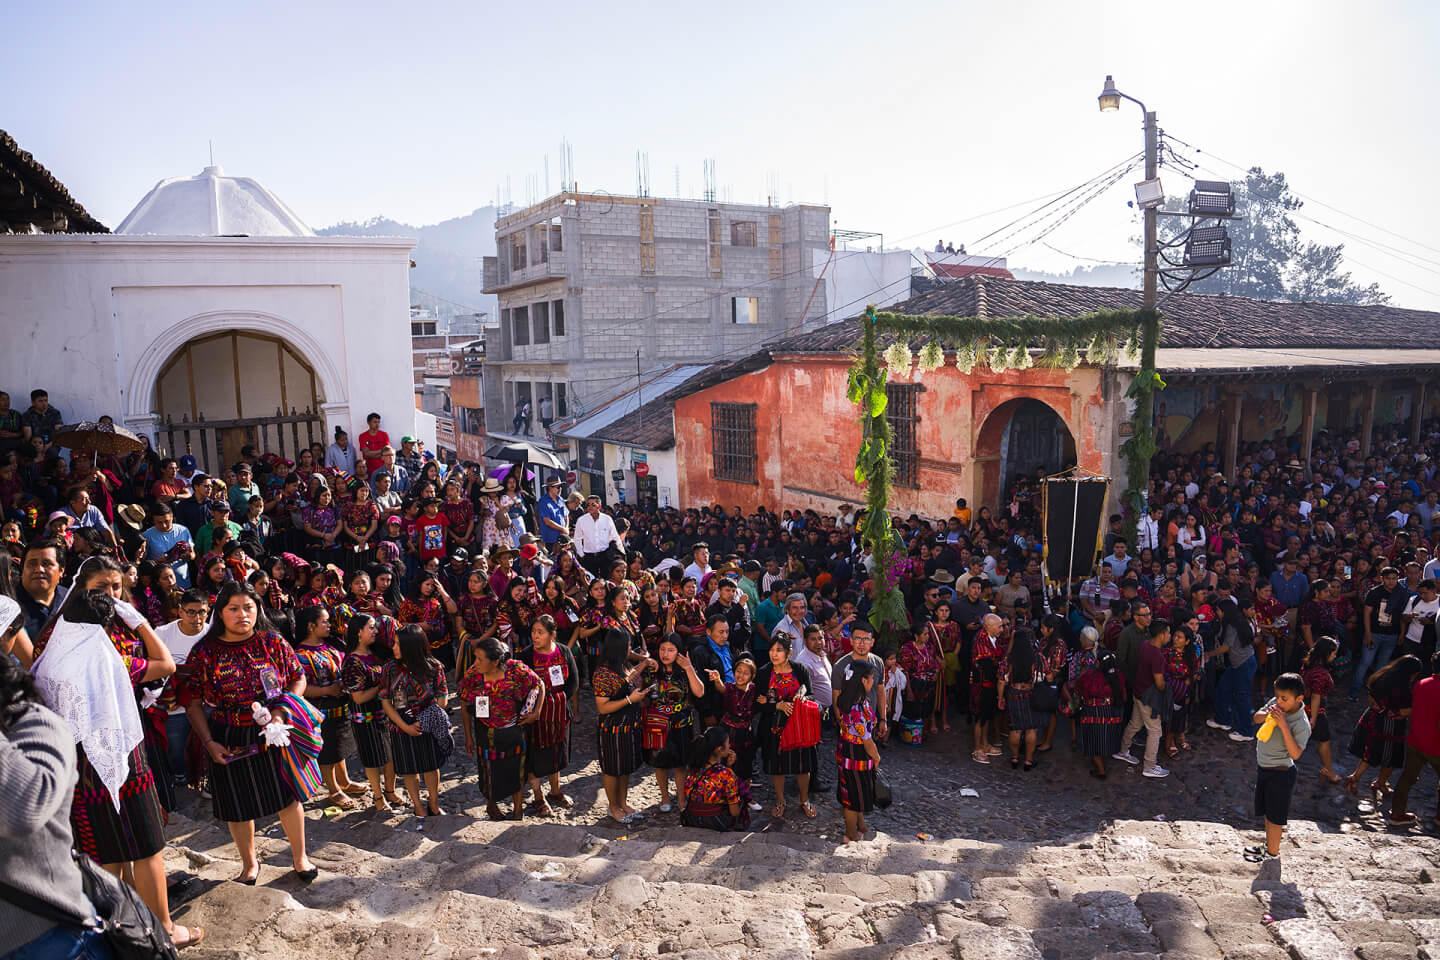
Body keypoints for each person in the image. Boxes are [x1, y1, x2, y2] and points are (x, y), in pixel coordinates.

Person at [28, 560, 197, 948]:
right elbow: (165, 664)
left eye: (118, 588)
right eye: (102, 588)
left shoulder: (55, 642)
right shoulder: (101, 653)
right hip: (121, 758)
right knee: (147, 846)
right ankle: (164, 930)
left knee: (105, 856)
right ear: (82, 589)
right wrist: (137, 620)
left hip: (76, 770)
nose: (112, 596)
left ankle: (119, 933)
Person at [0, 610, 151, 959]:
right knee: (111, 852)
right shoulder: (64, 665)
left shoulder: (35, 724)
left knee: (136, 852)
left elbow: (23, 805)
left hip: (47, 935)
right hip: (92, 782)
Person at [183, 579, 317, 886]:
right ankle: (249, 864)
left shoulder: (273, 642)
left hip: (274, 730)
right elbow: (190, 701)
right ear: (220, 612)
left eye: (249, 607)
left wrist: (282, 713)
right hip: (228, 734)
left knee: (287, 796)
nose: (243, 614)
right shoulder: (204, 652)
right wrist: (209, 741)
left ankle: (300, 857)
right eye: (234, 608)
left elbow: (298, 678)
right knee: (238, 804)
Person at [459, 634, 542, 821]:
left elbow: (539, 684)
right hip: (485, 732)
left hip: (513, 730)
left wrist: (535, 713)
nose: (476, 663)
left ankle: (518, 810)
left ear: (496, 661)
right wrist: (468, 736)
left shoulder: (516, 669)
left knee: (516, 771)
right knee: (489, 771)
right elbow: (464, 705)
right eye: (476, 658)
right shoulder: (473, 675)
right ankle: (491, 806)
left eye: (480, 659)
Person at [293, 606, 365, 808]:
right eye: (324, 621)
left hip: (341, 707)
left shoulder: (330, 646)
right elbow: (301, 687)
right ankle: (333, 789)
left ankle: (345, 781)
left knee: (340, 746)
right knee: (327, 751)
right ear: (310, 626)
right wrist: (327, 691)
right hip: (320, 710)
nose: (329, 625)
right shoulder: (300, 655)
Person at [380, 624, 449, 827]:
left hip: (428, 725)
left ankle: (434, 803)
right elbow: (386, 702)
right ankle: (418, 805)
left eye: (398, 644)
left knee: (431, 765)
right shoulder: (389, 669)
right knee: (409, 769)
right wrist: (405, 725)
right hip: (400, 726)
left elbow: (443, 698)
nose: (393, 647)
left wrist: (424, 721)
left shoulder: (434, 667)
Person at [1243, 672, 1312, 863]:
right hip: (1264, 768)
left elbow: (1296, 754)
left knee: (1275, 817)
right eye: (1278, 697)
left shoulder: (1301, 723)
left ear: (1299, 699)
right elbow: (1256, 718)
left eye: (1284, 699)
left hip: (1281, 773)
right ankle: (1269, 846)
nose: (1279, 702)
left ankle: (1273, 854)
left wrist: (1283, 725)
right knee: (1268, 812)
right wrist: (1268, 714)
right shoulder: (1276, 703)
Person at [518, 615, 579, 814]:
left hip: (559, 713)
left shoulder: (564, 651)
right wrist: (536, 707)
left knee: (556, 752)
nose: (535, 636)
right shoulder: (525, 656)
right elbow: (520, 687)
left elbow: (574, 682)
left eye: (540, 632)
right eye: (534, 631)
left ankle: (555, 791)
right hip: (535, 717)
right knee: (535, 756)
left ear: (552, 635)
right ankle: (538, 797)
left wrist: (557, 701)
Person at [341, 614, 401, 812]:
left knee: (391, 755)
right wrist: (383, 685)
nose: (375, 631)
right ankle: (377, 796)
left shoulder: (378, 653)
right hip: (365, 718)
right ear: (358, 632)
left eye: (375, 627)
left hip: (386, 714)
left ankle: (390, 790)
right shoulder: (352, 662)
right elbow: (358, 697)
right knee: (373, 758)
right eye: (371, 627)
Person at [151, 588, 209, 788]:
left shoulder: (212, 634)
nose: (196, 617)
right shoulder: (162, 634)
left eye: (201, 611)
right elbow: (153, 666)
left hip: (205, 703)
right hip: (174, 704)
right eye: (191, 612)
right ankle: (179, 774)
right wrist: (166, 698)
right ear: (180, 612)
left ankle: (206, 777)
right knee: (175, 745)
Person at [639, 634, 705, 812]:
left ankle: (682, 799)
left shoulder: (684, 670)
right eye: (662, 649)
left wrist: (689, 667)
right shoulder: (652, 670)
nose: (665, 654)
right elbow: (642, 694)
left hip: (681, 724)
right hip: (656, 724)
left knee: (680, 764)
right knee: (659, 762)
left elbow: (699, 692)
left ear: (678, 652)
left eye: (670, 650)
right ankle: (665, 798)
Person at [592, 628, 651, 824]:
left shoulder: (623, 665)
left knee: (625, 768)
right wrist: (629, 699)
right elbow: (603, 706)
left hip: (629, 727)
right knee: (612, 770)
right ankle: (613, 806)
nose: (629, 648)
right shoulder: (603, 673)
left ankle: (623, 803)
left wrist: (644, 663)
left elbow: (628, 678)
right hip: (612, 730)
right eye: (627, 645)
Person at [756, 634, 817, 820]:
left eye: (779, 650)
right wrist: (777, 706)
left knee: (802, 765)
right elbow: (758, 703)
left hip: (799, 726)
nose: (774, 654)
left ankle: (804, 800)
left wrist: (803, 699)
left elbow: (812, 695)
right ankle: (781, 800)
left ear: (789, 652)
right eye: (772, 650)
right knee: (777, 765)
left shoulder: (800, 670)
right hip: (775, 727)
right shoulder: (764, 672)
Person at [1386, 649, 1440, 828]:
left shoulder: (1420, 684)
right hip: (1436, 746)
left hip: (1416, 741)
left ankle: (1397, 813)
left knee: (1407, 777)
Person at [1113, 620, 1172, 779]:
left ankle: (1123, 750)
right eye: (1168, 632)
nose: (1170, 636)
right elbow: (1159, 683)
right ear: (1161, 635)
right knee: (1155, 731)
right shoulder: (1157, 655)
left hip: (1138, 693)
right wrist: (1168, 687)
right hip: (1149, 698)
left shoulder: (1145, 645)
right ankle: (1150, 766)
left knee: (1134, 724)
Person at [833, 657, 880, 844]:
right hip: (857, 754)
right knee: (853, 797)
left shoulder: (853, 700)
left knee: (854, 792)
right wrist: (876, 757)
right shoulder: (857, 708)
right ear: (863, 680)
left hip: (848, 751)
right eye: (871, 678)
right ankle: (850, 834)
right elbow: (867, 742)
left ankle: (861, 826)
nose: (873, 682)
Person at [1352, 566, 1409, 698]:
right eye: (1388, 579)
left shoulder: (1401, 593)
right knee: (1365, 662)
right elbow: (1367, 613)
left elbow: (1402, 615)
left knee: (1382, 665)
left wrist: (1401, 633)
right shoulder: (1375, 592)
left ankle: (1374, 691)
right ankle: (1354, 690)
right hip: (1374, 633)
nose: (1391, 582)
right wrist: (1367, 633)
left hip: (1392, 635)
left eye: (1394, 579)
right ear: (1382, 579)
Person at [680, 726, 748, 832]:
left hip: (692, 818)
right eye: (728, 743)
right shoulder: (726, 774)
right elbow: (734, 812)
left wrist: (728, 766)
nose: (730, 745)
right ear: (720, 749)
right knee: (742, 794)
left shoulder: (693, 768)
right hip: (716, 821)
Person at [998, 627, 1046, 770]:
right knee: (1031, 729)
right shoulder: (1038, 658)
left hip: (1014, 693)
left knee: (1016, 729)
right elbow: (1048, 675)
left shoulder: (1009, 660)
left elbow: (1001, 680)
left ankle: (1014, 759)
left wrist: (1000, 697)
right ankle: (1028, 761)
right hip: (1031, 693)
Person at [573, 496, 621, 578]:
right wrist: (581, 554)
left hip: (605, 556)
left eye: (593, 505)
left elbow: (615, 537)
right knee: (590, 581)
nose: (590, 507)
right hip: (588, 557)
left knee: (605, 580)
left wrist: (616, 553)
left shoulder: (607, 519)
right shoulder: (581, 520)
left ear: (599, 506)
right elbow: (577, 539)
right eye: (588, 505)